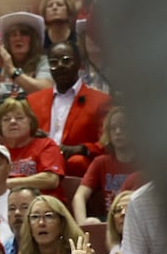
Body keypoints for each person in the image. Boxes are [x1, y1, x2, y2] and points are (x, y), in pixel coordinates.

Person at [22, 40, 110, 179]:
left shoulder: (100, 101)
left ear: (79, 63)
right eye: (54, 62)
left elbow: (107, 141)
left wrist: (83, 149)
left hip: (75, 165)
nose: (60, 66)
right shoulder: (33, 100)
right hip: (39, 162)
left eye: (66, 60)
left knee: (77, 162)